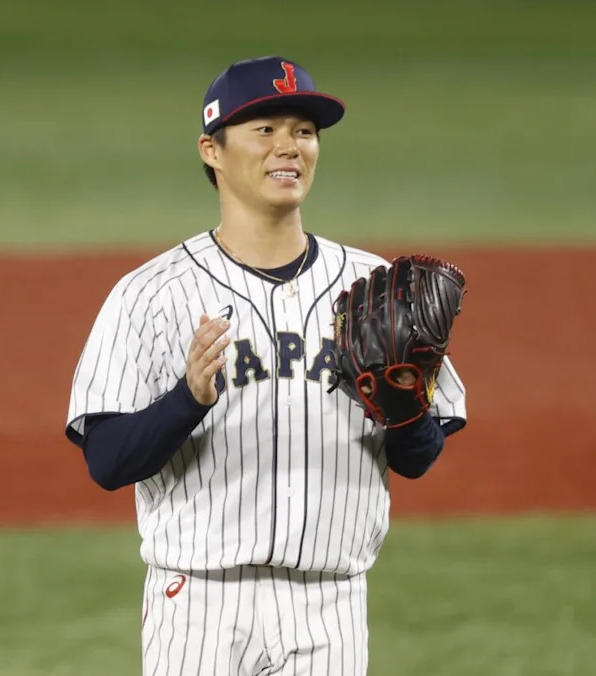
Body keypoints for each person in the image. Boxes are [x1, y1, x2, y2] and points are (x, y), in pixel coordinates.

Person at [65, 55, 467, 676]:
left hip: (330, 605)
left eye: (304, 131)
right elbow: (107, 461)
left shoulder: (372, 286)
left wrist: (403, 403)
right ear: (212, 150)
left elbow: (419, 459)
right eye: (265, 129)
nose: (290, 147)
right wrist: (187, 400)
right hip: (197, 603)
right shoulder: (151, 295)